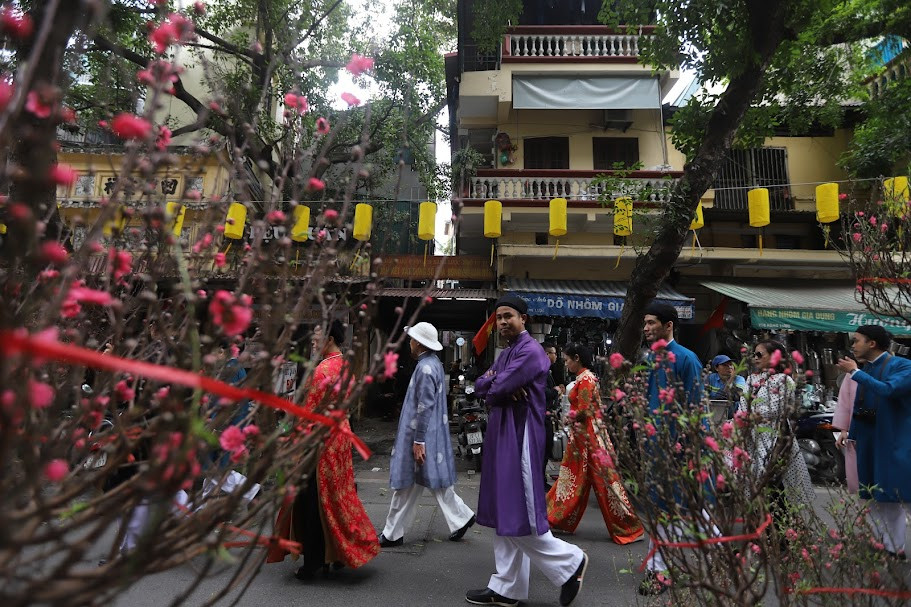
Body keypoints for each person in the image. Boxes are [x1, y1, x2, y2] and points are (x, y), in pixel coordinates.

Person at [466, 295, 588, 607]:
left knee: (517, 509)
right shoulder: (509, 353)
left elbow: (494, 389)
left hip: (520, 437)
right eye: (499, 317)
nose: (503, 322)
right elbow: (482, 385)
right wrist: (496, 383)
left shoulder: (531, 351)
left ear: (524, 319)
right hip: (503, 433)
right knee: (505, 511)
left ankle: (570, 562)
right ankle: (507, 587)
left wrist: (496, 385)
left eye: (509, 316)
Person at [267, 320, 379, 578]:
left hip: (318, 444)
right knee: (337, 499)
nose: (314, 343)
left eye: (317, 339)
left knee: (313, 503)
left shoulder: (322, 371)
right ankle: (335, 554)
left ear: (329, 338)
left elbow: (310, 416)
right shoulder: (345, 365)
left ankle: (314, 562)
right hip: (339, 441)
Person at [380, 322, 476, 547]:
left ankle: (392, 534)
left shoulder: (424, 368)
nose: (410, 343)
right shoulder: (433, 364)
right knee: (433, 482)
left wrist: (418, 440)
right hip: (430, 436)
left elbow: (423, 407)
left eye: (412, 340)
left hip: (419, 436)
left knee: (406, 484)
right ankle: (461, 518)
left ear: (419, 343)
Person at [639, 301, 706, 596]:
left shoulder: (687, 359)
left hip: (676, 450)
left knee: (667, 510)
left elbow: (696, 407)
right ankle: (661, 566)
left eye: (651, 323)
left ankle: (662, 571)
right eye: (644, 323)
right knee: (657, 509)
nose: (646, 329)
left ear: (669, 326)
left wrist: (690, 449)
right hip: (654, 448)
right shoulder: (652, 358)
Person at [546, 343, 644, 544]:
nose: (565, 364)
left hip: (589, 435)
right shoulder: (584, 378)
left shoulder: (587, 379)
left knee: (596, 481)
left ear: (576, 358)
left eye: (567, 360)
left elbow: (584, 410)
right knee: (574, 478)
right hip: (586, 434)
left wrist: (569, 417)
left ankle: (627, 525)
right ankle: (553, 518)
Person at [836, 325, 911, 560]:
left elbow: (888, 390)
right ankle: (888, 545)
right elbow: (859, 406)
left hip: (895, 441)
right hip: (870, 442)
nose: (853, 346)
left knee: (900, 493)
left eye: (856, 341)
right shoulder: (867, 368)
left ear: (872, 343)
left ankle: (892, 545)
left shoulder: (903, 366)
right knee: (876, 495)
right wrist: (851, 433)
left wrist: (856, 373)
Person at [740, 341, 815, 513]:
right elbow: (743, 405)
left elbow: (776, 409)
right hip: (752, 437)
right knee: (755, 483)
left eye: (760, 354)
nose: (755, 358)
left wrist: (752, 415)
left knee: (772, 483)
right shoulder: (751, 379)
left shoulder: (784, 380)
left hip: (774, 438)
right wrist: (747, 417)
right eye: (754, 354)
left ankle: (780, 530)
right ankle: (761, 527)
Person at [542, 342, 564, 490]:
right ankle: (539, 481)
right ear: (546, 354)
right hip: (543, 415)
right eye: (554, 353)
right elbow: (543, 393)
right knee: (543, 449)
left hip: (548, 414)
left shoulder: (547, 371)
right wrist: (556, 391)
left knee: (546, 448)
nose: (555, 356)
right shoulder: (542, 371)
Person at [833, 367, 859, 493]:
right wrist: (843, 430)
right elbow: (844, 402)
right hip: (856, 428)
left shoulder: (890, 368)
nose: (854, 346)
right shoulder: (851, 376)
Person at [705, 354, 747, 418]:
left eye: (730, 364)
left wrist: (731, 378)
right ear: (716, 368)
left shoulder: (739, 379)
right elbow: (716, 398)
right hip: (714, 413)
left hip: (733, 414)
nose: (729, 367)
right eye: (725, 365)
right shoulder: (711, 378)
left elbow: (737, 396)